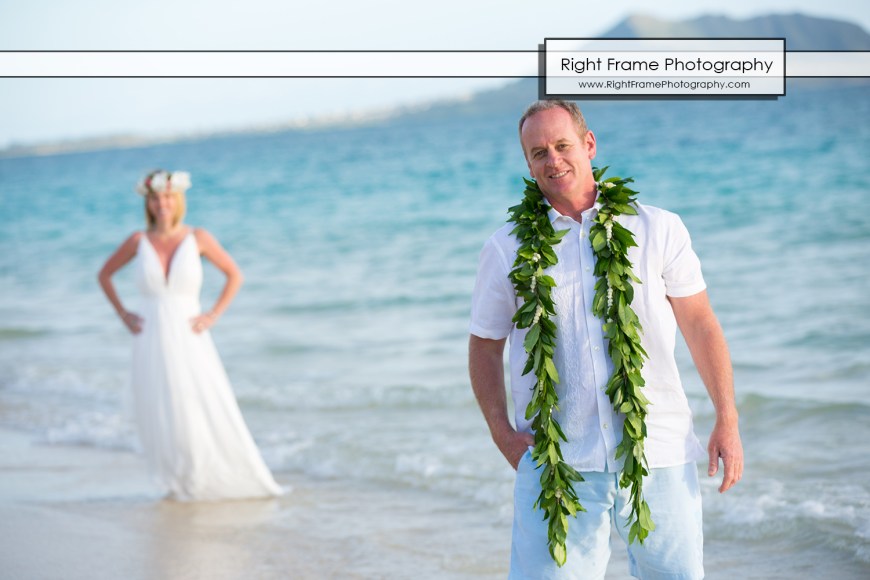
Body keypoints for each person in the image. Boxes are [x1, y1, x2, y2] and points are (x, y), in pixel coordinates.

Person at [469, 101, 743, 579]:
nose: (553, 160)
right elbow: (485, 346)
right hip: (557, 463)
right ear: (528, 165)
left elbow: (700, 323)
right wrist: (503, 435)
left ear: (588, 144)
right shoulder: (506, 248)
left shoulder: (657, 228)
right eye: (538, 153)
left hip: (658, 452)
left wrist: (727, 417)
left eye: (562, 145)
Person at [98, 169, 283, 501]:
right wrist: (124, 314)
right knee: (159, 407)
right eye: (155, 198)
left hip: (189, 334)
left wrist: (212, 314)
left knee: (197, 402)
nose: (162, 204)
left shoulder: (197, 237)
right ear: (148, 202)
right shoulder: (138, 242)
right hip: (150, 335)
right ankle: (175, 481)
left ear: (178, 199)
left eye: (168, 197)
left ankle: (200, 476)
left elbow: (234, 275)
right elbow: (105, 275)